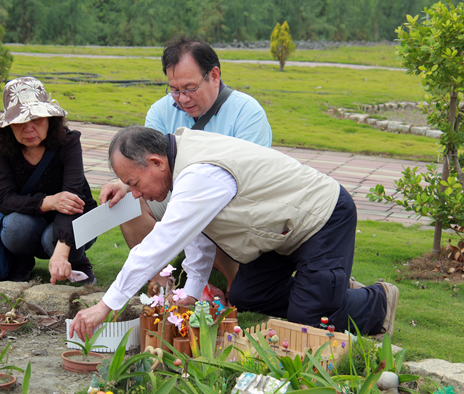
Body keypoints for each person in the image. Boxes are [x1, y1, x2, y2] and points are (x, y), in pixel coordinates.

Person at [70, 126, 399, 341]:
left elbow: (160, 244)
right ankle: (326, 284)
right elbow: (197, 232)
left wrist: (106, 306)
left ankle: (377, 301)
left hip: (322, 216)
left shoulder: (198, 173)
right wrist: (193, 290)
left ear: (156, 162)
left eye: (134, 184)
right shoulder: (180, 167)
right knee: (247, 296)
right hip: (279, 231)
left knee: (306, 319)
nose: (136, 194)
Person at [100, 36, 273, 291]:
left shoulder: (247, 113)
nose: (181, 99)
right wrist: (125, 184)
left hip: (229, 203)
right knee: (127, 204)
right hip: (175, 194)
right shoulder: (160, 111)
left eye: (190, 88)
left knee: (206, 208)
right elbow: (147, 167)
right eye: (174, 89)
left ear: (214, 75)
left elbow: (252, 182)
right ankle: (160, 282)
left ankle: (235, 286)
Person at [0, 76, 98, 284]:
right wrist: (49, 201)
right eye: (20, 121)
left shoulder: (69, 142)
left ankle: (78, 261)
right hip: (29, 218)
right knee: (13, 227)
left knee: (53, 239)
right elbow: (3, 199)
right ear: (9, 124)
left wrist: (62, 249)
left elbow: (73, 199)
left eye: (37, 119)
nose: (28, 128)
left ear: (49, 119)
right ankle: (22, 260)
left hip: (75, 217)